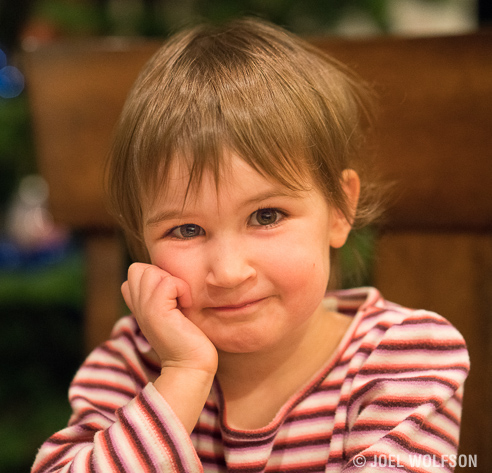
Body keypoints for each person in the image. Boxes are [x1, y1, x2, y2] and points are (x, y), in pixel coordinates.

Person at [32, 18, 469, 472]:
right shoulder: (130, 364)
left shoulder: (404, 359)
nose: (229, 271)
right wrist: (183, 376)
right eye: (185, 230)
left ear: (340, 210)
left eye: (266, 216)